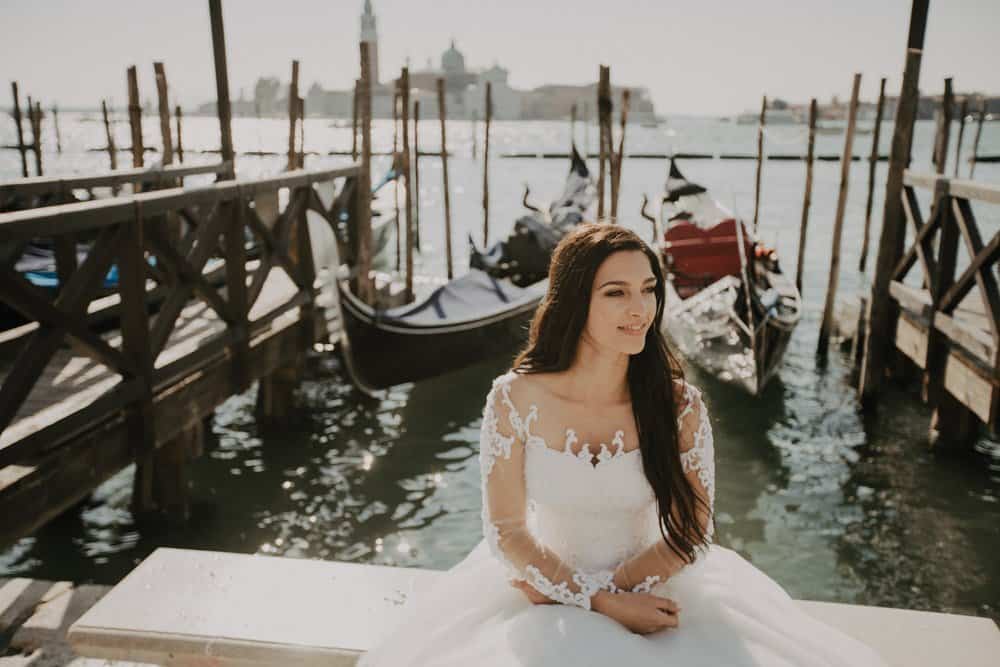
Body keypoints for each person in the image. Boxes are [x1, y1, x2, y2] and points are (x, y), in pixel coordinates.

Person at [359, 223, 887, 666]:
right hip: (542, 585)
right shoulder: (513, 399)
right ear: (572, 301)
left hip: (657, 586)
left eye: (650, 289)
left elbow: (692, 529)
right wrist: (595, 600)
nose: (641, 308)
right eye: (617, 292)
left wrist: (623, 592)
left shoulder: (681, 406)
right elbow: (507, 530)